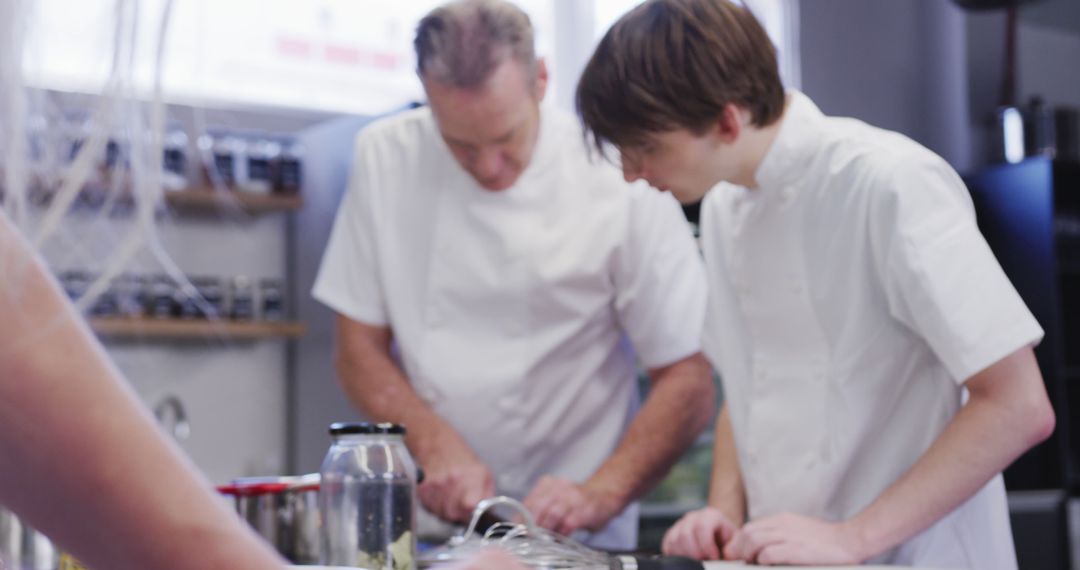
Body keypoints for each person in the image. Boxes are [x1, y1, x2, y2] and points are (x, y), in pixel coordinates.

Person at [575, 0, 1055, 567]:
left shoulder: (889, 183)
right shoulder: (726, 208)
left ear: (728, 120)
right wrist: (724, 516)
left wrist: (855, 537)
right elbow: (747, 385)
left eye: (646, 148)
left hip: (915, 555)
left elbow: (1018, 406)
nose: (632, 173)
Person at [312, 0, 716, 550]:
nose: (487, 168)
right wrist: (430, 444)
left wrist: (599, 493)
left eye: (505, 139)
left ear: (541, 81)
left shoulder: (617, 173)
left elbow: (687, 378)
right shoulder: (385, 157)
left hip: (576, 536)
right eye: (460, 145)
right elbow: (356, 349)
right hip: (431, 529)